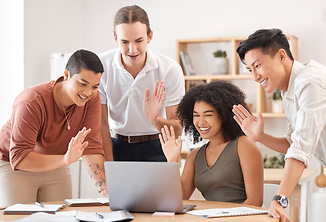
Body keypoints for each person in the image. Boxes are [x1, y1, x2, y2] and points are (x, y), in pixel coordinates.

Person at [233, 28, 326, 222]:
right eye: (249, 70)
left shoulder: (310, 83)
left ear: (281, 55)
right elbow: (293, 142)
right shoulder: (288, 90)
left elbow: (301, 148)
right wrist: (260, 137)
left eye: (258, 65)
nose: (255, 76)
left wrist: (280, 199)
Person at [0, 49, 108, 207]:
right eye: (82, 84)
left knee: (62, 220)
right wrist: (65, 159)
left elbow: (90, 145)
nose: (88, 92)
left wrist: (104, 189)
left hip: (56, 162)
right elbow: (20, 156)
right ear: (66, 75)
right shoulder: (31, 101)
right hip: (15, 165)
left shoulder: (92, 98)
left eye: (94, 86)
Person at [99, 5, 185, 162]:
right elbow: (102, 124)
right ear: (115, 39)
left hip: (157, 146)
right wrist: (110, 165)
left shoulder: (170, 69)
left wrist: (155, 119)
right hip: (115, 145)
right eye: (125, 42)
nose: (132, 50)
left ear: (150, 36)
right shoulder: (101, 66)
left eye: (139, 41)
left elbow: (178, 130)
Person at [159, 81, 263, 206]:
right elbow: (179, 198)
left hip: (242, 221)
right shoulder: (195, 156)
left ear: (224, 115)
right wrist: (172, 159)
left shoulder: (243, 145)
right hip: (212, 221)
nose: (201, 122)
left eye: (208, 115)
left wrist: (226, 220)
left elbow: (255, 201)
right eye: (196, 115)